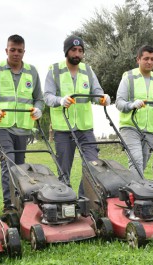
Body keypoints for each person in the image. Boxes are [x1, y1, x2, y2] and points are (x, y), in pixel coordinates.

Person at [0, 34, 45, 211]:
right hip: (3, 125)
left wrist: (39, 109)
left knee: (21, 165)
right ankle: (9, 205)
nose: (16, 53)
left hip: (24, 127)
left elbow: (39, 98)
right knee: (8, 163)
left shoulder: (32, 72)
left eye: (19, 50)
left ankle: (21, 202)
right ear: (6, 50)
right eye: (12, 50)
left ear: (24, 52)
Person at [44, 35, 110, 194]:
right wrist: (60, 100)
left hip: (84, 127)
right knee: (64, 169)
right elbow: (47, 96)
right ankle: (65, 200)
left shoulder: (88, 70)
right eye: (74, 50)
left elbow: (97, 92)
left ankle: (82, 197)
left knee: (93, 165)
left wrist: (103, 98)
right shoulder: (54, 70)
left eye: (80, 51)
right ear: (66, 51)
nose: (77, 54)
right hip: (63, 128)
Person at [116, 45, 153, 177]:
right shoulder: (128, 77)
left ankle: (132, 188)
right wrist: (131, 105)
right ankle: (139, 193)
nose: (149, 62)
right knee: (136, 159)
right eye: (146, 58)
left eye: (152, 59)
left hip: (149, 129)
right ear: (138, 60)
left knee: (143, 162)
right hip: (130, 127)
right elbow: (119, 102)